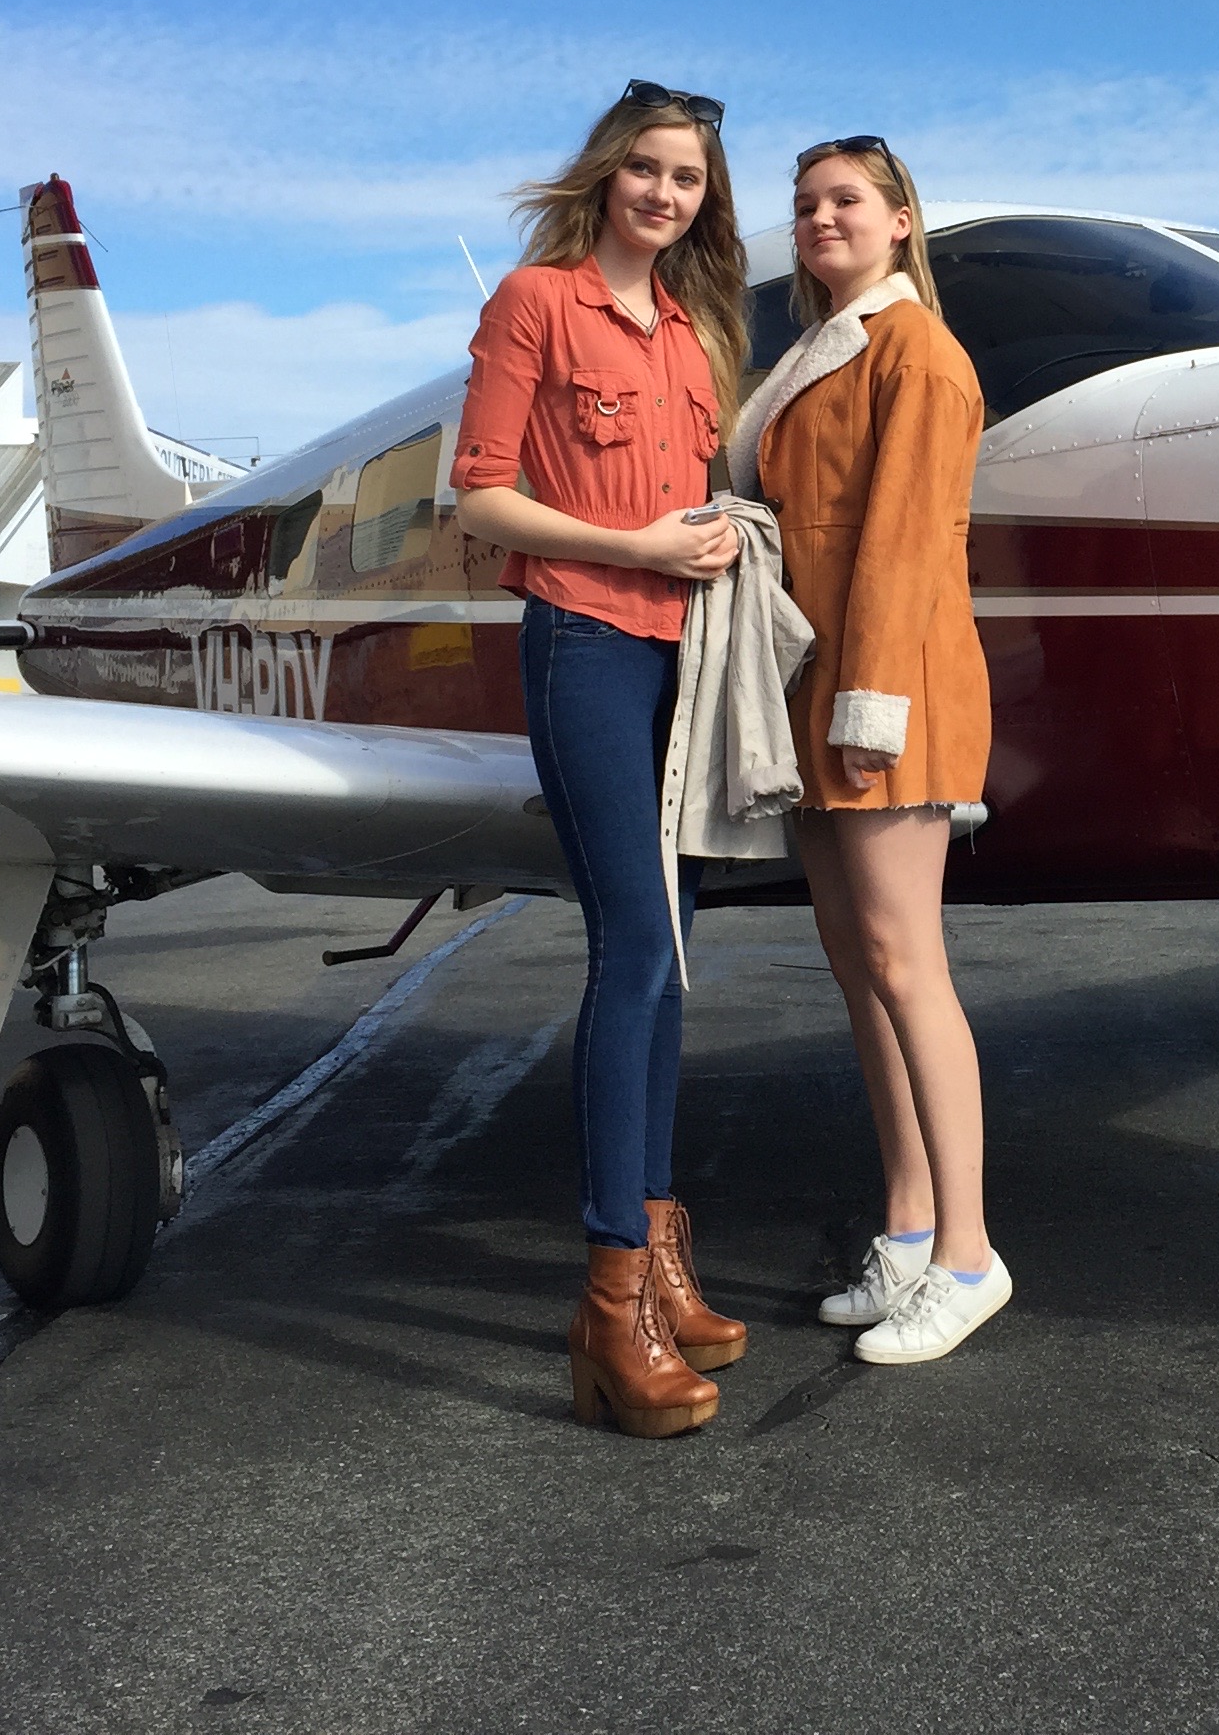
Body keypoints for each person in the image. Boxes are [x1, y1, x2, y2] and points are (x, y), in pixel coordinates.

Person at [452, 79, 758, 1438]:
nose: (664, 194)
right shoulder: (537, 304)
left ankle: (660, 1244)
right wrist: (634, 547)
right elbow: (481, 494)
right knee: (631, 942)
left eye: (687, 179)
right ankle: (607, 1297)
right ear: (606, 175)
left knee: (672, 948)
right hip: (586, 641)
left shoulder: (694, 330)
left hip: (684, 657)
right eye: (646, 169)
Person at [726, 137, 1004, 1363]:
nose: (820, 217)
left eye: (846, 200)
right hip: (824, 688)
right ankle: (907, 1227)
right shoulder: (821, 354)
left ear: (901, 222)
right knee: (858, 964)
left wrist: (868, 712)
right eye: (804, 204)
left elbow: (902, 543)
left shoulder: (915, 352)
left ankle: (969, 1255)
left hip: (890, 694)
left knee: (905, 960)